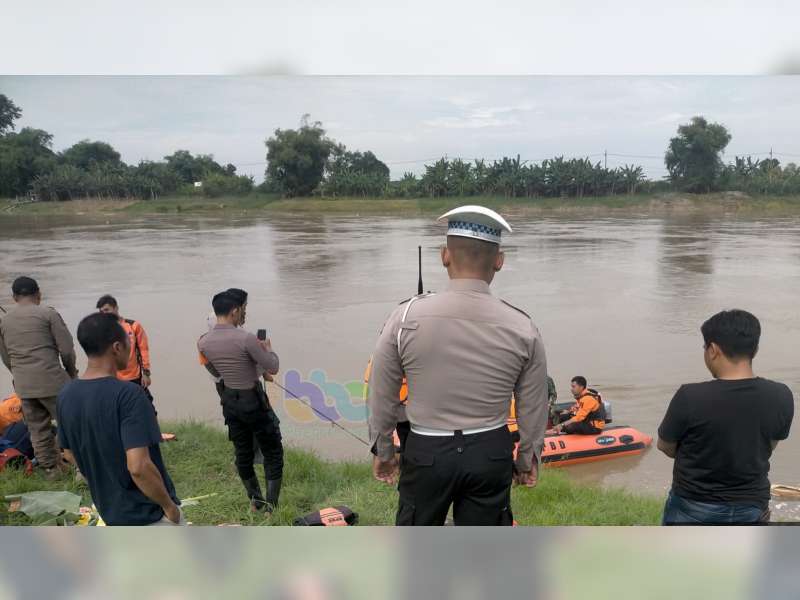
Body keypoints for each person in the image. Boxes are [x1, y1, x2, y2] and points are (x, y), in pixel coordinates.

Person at [368, 205, 550, 526]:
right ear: (499, 261)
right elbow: (533, 404)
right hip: (490, 452)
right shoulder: (523, 327)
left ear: (444, 256)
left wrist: (383, 451)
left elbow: (382, 392)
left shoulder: (405, 317)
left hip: (425, 451)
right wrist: (527, 459)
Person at [658, 309, 794, 525]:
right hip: (752, 505)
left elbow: (665, 446)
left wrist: (700, 455)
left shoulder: (690, 396)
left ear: (713, 350)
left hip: (693, 504)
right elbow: (769, 446)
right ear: (755, 349)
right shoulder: (781, 395)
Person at [57, 312, 183, 526]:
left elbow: (68, 453)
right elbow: (138, 467)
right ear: (117, 347)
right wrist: (169, 507)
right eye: (128, 343)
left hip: (110, 512)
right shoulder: (129, 395)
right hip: (148, 515)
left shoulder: (65, 395)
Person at [197, 290, 283, 513]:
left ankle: (256, 502)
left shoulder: (203, 342)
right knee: (273, 451)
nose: (245, 313)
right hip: (252, 400)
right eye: (244, 309)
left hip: (229, 401)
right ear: (235, 311)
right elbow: (273, 366)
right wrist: (268, 349)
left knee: (243, 452)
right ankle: (271, 508)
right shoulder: (247, 339)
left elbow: (216, 371)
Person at [0, 276, 77, 479]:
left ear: (14, 297)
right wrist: (71, 373)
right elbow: (67, 350)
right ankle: (83, 470)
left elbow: (6, 357)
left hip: (24, 386)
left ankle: (52, 470)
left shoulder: (4, 321)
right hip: (54, 382)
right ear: (39, 294)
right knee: (73, 425)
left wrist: (20, 375)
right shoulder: (48, 314)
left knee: (38, 431)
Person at [96, 295, 154, 404]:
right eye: (101, 312)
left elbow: (144, 350)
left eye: (107, 310)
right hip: (113, 379)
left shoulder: (134, 326)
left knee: (147, 406)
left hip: (135, 377)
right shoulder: (101, 330)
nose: (104, 314)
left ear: (116, 308)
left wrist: (146, 374)